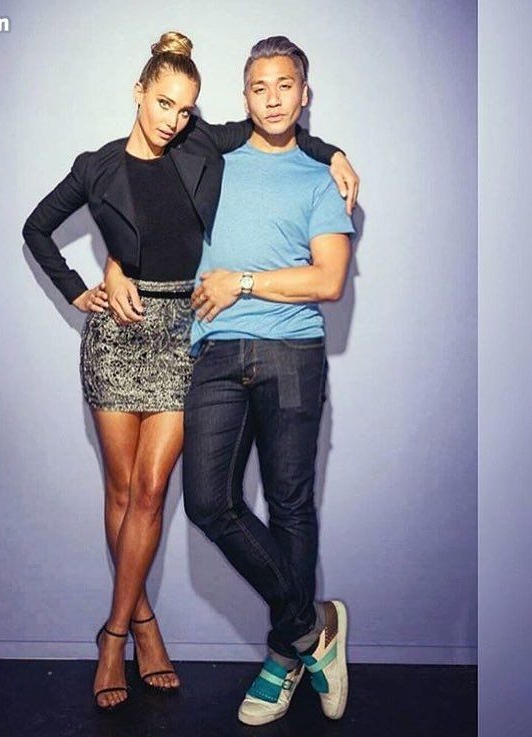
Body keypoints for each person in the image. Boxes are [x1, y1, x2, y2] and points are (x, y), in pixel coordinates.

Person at [22, 31, 358, 711]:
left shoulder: (207, 147)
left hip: (197, 331)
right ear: (139, 93)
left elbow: (278, 135)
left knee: (171, 493)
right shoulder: (113, 163)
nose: (174, 118)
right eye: (164, 103)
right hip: (139, 335)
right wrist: (91, 279)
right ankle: (143, 627)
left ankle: (169, 637)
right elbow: (49, 227)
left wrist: (334, 152)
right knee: (136, 492)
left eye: (184, 108)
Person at [181, 35, 354, 726]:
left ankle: (282, 658)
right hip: (217, 351)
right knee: (208, 501)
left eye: (285, 85)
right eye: (260, 87)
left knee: (290, 507)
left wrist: (243, 281)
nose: (273, 98)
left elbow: (329, 279)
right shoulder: (212, 162)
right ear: (244, 97)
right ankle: (312, 627)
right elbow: (140, 189)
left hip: (291, 354)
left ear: (304, 95)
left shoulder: (319, 180)